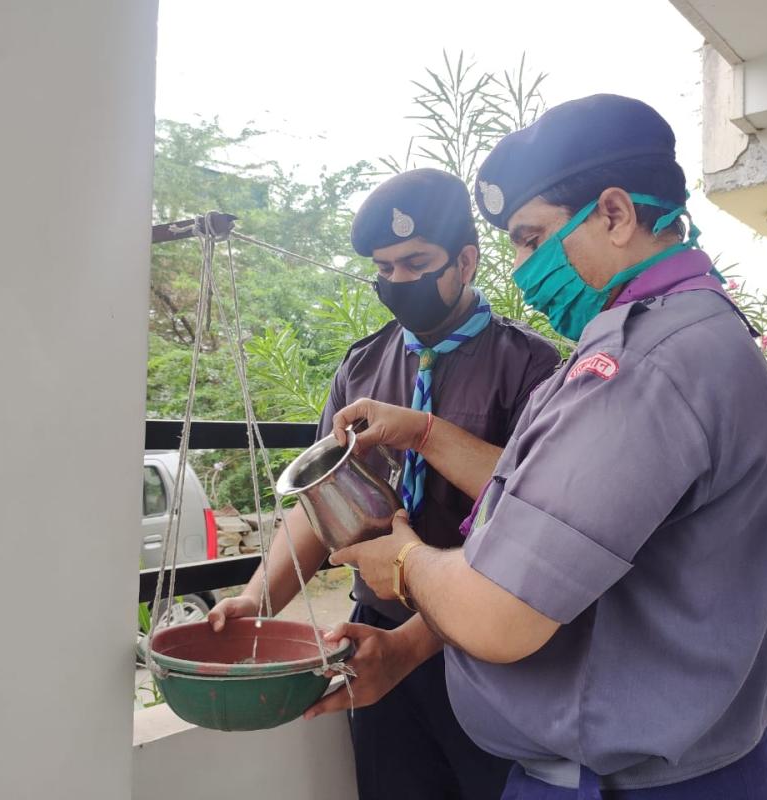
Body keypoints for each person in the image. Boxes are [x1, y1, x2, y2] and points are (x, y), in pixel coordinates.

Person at [328, 95, 767, 799]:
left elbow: (499, 612)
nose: (520, 267)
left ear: (613, 213)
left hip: (624, 783)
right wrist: (407, 646)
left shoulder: (643, 364)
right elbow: (555, 532)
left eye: (529, 237)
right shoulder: (683, 336)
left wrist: (404, 561)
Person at [209, 168, 562, 800]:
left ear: (466, 261)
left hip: (487, 648)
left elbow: (540, 525)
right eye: (384, 268)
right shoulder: (362, 365)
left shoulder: (531, 367)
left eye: (415, 262)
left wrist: (413, 644)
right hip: (375, 645)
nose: (397, 281)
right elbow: (317, 508)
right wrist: (257, 603)